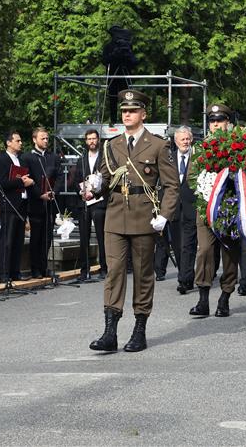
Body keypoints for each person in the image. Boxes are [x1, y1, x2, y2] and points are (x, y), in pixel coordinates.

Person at [88, 89, 178, 352]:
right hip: (115, 216)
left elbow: (171, 186)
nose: (127, 115)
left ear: (143, 114)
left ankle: (140, 330)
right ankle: (110, 332)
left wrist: (164, 215)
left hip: (143, 217)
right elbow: (106, 183)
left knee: (142, 273)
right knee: (114, 272)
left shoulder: (159, 145)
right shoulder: (110, 145)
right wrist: (95, 185)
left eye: (132, 111)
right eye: (124, 111)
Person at [189, 104, 246, 317]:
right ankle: (203, 299)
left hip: (230, 208)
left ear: (228, 123)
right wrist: (204, 189)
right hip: (206, 207)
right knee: (204, 251)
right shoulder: (200, 148)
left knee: (229, 253)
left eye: (219, 120)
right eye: (212, 121)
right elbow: (191, 177)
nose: (215, 124)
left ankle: (225, 297)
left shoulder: (238, 146)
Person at [0, 131, 34, 283]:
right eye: (17, 140)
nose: (20, 143)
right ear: (8, 142)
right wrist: (22, 182)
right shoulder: (2, 159)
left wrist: (29, 182)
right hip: (9, 205)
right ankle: (3, 273)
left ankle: (15, 271)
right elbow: (2, 182)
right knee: (7, 240)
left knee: (18, 239)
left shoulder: (21, 160)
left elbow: (26, 178)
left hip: (22, 204)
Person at [23, 127, 62, 279]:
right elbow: (27, 179)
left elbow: (59, 176)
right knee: (36, 237)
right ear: (34, 139)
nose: (45, 141)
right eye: (42, 138)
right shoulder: (27, 157)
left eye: (47, 138)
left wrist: (54, 192)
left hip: (50, 202)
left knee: (47, 237)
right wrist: (40, 194)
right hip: (35, 203)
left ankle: (44, 266)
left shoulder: (53, 157)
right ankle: (35, 269)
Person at [74, 129, 108, 281]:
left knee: (102, 236)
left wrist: (94, 192)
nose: (92, 141)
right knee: (84, 237)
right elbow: (75, 181)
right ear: (86, 141)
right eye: (89, 139)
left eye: (94, 138)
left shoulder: (104, 158)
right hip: (85, 203)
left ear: (98, 140)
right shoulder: (81, 159)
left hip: (100, 202)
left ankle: (104, 267)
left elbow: (107, 179)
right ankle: (84, 269)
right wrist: (81, 192)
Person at [170, 126, 198, 294]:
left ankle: (184, 279)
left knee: (188, 244)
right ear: (176, 141)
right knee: (178, 245)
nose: (185, 142)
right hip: (173, 209)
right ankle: (186, 274)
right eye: (182, 139)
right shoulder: (169, 159)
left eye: (188, 139)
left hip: (191, 207)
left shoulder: (197, 157)